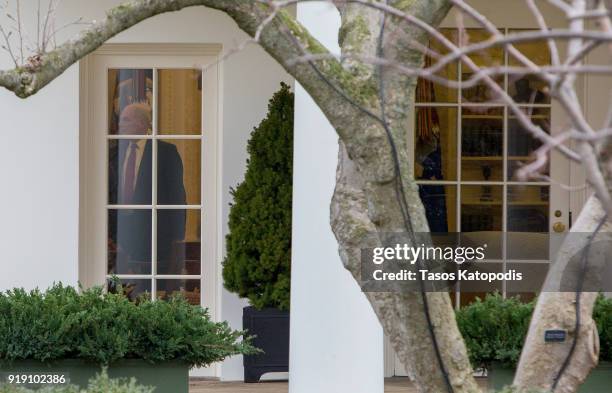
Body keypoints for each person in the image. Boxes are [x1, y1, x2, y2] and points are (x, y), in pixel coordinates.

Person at [108, 103, 186, 276]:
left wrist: (178, 240)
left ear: (142, 124)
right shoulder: (112, 154)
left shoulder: (165, 152)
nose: (120, 125)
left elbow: (177, 197)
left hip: (154, 238)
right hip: (117, 238)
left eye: (126, 120)